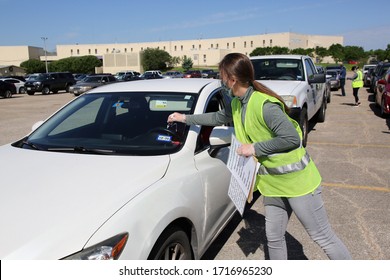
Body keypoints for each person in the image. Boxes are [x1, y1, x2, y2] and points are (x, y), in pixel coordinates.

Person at [167, 53, 352, 260]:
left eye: (222, 76)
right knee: (273, 238)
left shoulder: (264, 105)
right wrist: (185, 118)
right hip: (272, 183)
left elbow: (292, 139)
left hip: (298, 184)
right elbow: (220, 117)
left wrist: (254, 148)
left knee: (322, 236)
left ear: (232, 79)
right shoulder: (238, 103)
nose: (221, 81)